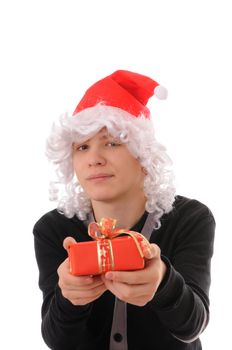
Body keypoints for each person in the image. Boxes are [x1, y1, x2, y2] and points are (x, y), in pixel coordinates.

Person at [33, 70, 215, 350]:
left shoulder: (190, 219)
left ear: (143, 156)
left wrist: (163, 281)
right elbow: (57, 340)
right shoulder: (52, 229)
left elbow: (192, 325)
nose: (94, 159)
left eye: (112, 142)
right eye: (82, 146)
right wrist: (69, 297)